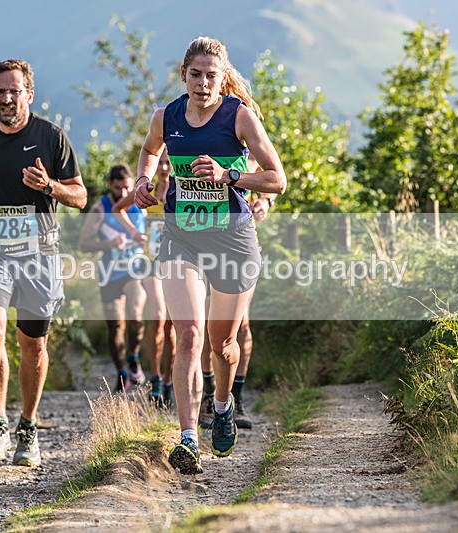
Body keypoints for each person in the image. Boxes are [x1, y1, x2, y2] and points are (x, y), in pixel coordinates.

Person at [134, 37, 286, 475]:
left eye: (211, 76)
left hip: (233, 240)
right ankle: (186, 439)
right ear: (184, 74)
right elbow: (149, 150)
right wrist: (145, 181)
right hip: (181, 237)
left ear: (222, 78)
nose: (202, 83)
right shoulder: (167, 116)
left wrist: (230, 175)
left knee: (223, 345)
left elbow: (277, 180)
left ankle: (222, 405)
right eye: (195, 74)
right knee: (189, 337)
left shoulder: (239, 117)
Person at [0, 59, 87, 467]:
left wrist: (49, 186)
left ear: (30, 93)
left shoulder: (51, 137)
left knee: (33, 343)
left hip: (39, 253)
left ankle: (28, 426)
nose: (6, 99)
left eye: (14, 91)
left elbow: (80, 198)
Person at [199, 156, 275, 430]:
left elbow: (271, 178)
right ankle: (209, 397)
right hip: (204, 242)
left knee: (241, 323)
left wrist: (264, 203)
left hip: (241, 248)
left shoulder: (250, 151)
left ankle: (236, 398)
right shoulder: (210, 138)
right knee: (210, 323)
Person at [112, 149, 177, 407]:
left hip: (177, 261)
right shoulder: (147, 190)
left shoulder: (182, 190)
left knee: (173, 325)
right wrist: (135, 233)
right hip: (151, 260)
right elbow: (119, 209)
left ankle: (171, 380)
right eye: (160, 162)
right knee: (158, 316)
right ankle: (156, 378)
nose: (163, 167)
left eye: (168, 162)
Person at [78, 164, 147, 392]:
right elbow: (84, 244)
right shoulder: (101, 209)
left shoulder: (140, 204)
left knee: (136, 309)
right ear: (110, 186)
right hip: (110, 272)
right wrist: (108, 243)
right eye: (119, 189)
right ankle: (121, 373)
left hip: (134, 269)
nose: (123, 193)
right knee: (115, 325)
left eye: (128, 187)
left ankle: (134, 357)